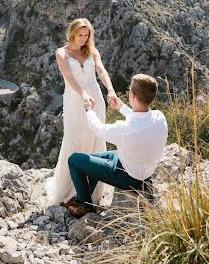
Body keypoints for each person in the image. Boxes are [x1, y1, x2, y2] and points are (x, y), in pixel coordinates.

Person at [67, 73, 168, 218]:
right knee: (91, 159)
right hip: (143, 171)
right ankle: (84, 196)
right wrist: (120, 106)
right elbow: (139, 119)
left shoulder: (124, 129)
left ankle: (85, 205)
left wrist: (89, 110)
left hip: (128, 177)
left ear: (132, 95)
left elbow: (98, 129)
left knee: (75, 160)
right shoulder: (160, 118)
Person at [46, 18, 117, 206]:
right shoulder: (62, 54)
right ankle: (69, 189)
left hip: (95, 99)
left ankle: (92, 191)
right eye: (80, 35)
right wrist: (83, 95)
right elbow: (69, 77)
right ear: (72, 34)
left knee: (95, 137)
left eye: (87, 36)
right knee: (75, 138)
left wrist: (110, 90)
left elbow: (101, 71)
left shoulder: (92, 52)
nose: (84, 39)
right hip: (75, 99)